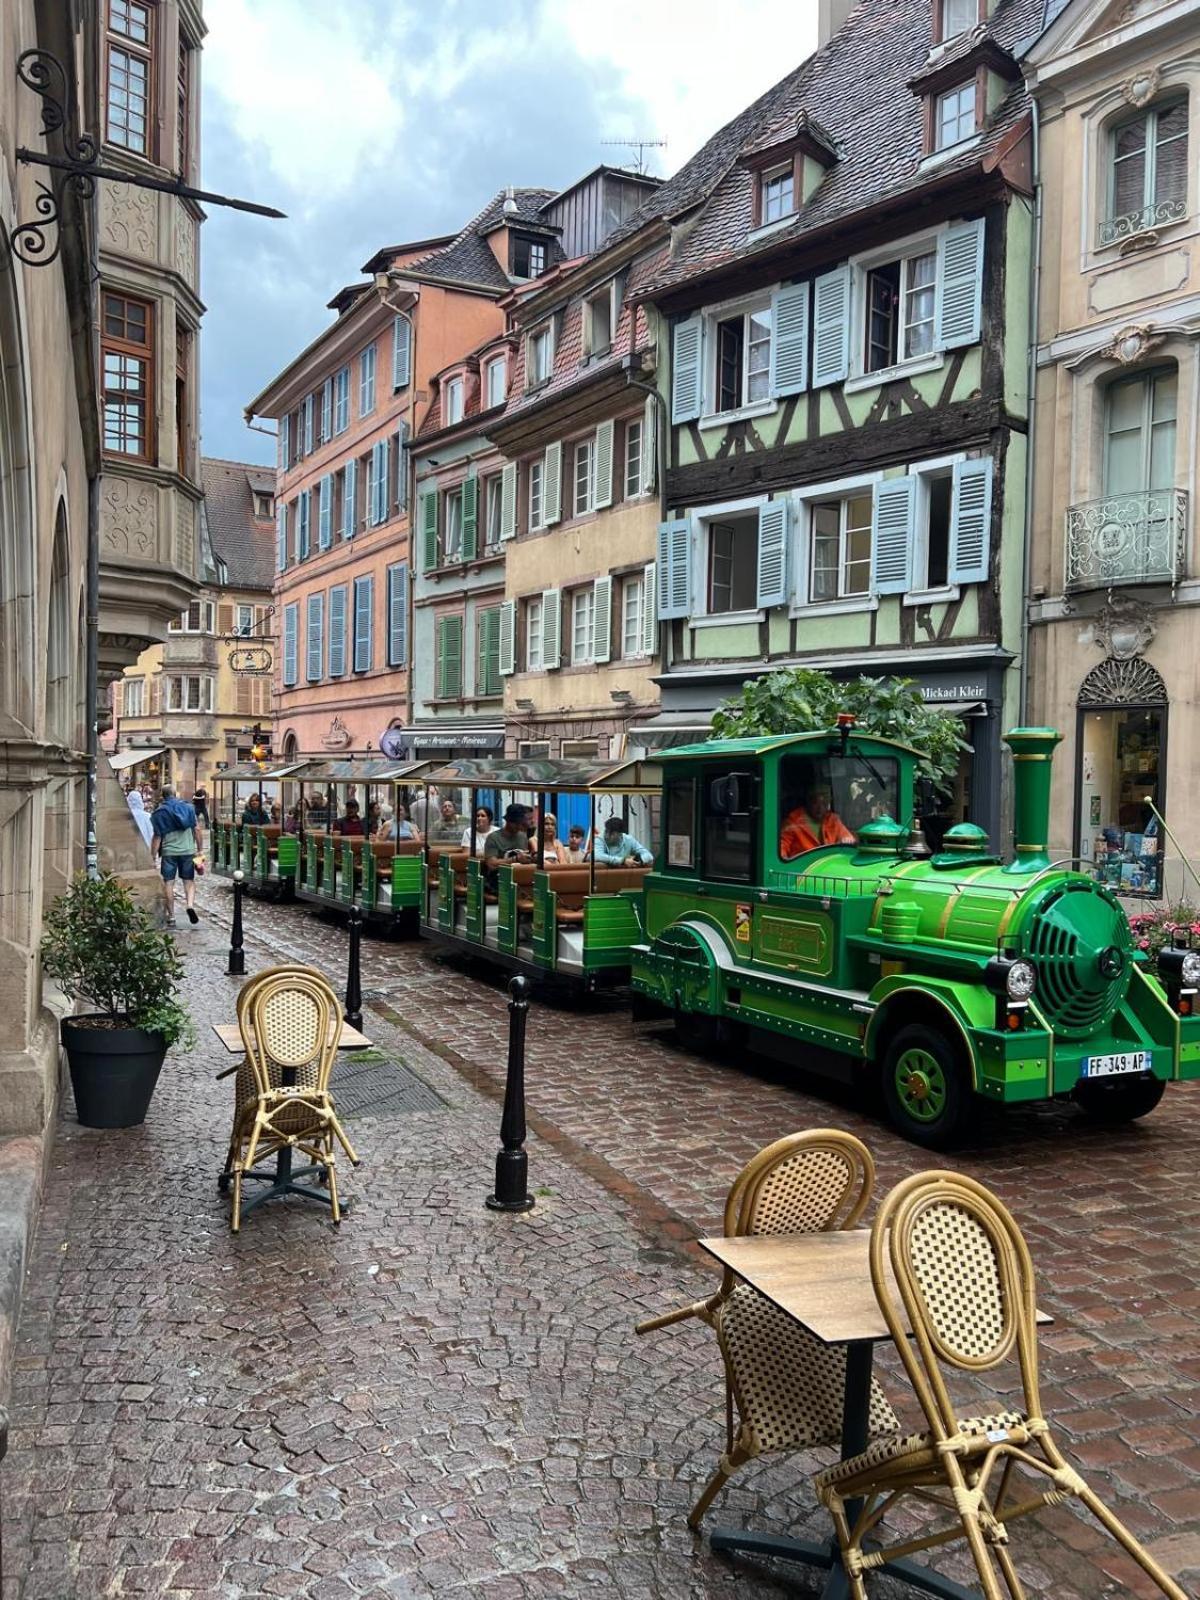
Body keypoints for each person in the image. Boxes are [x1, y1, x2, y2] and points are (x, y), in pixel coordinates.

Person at [150, 786, 203, 927]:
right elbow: (197, 829)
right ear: (175, 794)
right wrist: (199, 849)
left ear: (163, 796)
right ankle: (190, 905)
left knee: (168, 883)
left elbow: (157, 837)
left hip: (169, 852)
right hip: (187, 851)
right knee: (189, 881)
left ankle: (172, 916)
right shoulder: (189, 808)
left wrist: (152, 856)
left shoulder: (159, 812)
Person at [780, 783, 856, 860]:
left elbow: (847, 836)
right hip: (803, 868)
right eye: (815, 803)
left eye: (824, 803)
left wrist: (847, 839)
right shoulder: (793, 822)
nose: (820, 808)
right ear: (808, 802)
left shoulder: (833, 819)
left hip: (827, 864)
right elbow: (781, 846)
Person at [483, 804, 533, 876]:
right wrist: (515, 859)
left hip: (519, 876)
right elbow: (491, 864)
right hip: (498, 878)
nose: (518, 827)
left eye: (521, 823)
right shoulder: (493, 838)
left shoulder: (522, 836)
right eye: (516, 823)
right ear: (508, 821)